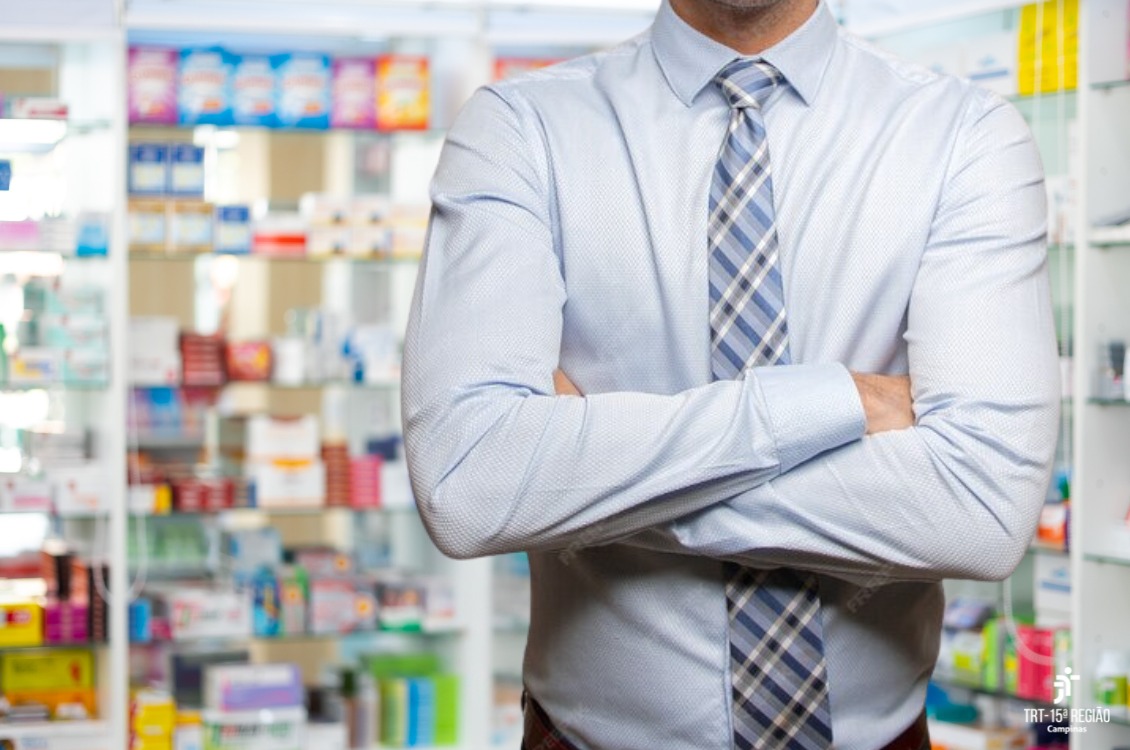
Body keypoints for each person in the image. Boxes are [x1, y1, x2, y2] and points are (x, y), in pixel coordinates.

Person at [401, 0, 1060, 747]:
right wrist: (834, 404)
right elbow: (469, 483)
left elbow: (982, 512)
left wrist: (585, 479)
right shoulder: (521, 129)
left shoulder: (964, 136)